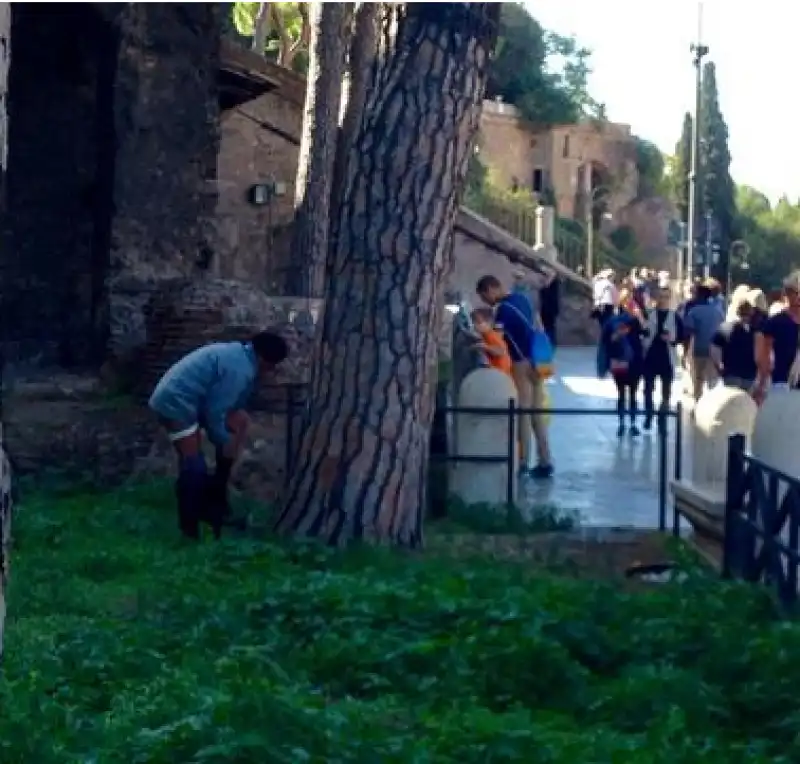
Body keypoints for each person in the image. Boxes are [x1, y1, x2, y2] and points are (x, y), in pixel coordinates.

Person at [148, 331, 289, 539]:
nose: (271, 372)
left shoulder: (240, 357)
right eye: (272, 366)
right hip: (176, 402)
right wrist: (223, 440)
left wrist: (229, 442)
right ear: (263, 360)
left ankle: (217, 499)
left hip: (193, 400)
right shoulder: (240, 370)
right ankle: (190, 527)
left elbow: (233, 406)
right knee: (194, 465)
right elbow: (215, 412)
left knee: (240, 421)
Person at [476, 274, 554, 479]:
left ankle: (522, 462)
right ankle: (545, 460)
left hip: (521, 363)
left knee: (522, 413)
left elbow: (499, 345)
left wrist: (482, 340)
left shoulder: (503, 311)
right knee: (537, 413)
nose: (487, 302)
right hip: (539, 361)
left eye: (485, 297)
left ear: (491, 289)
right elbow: (538, 324)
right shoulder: (523, 298)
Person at [602, 292, 645, 436]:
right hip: (625, 361)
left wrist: (639, 316)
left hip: (630, 361)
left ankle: (629, 423)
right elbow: (607, 342)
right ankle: (625, 423)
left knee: (629, 393)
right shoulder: (616, 321)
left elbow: (645, 333)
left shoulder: (630, 320)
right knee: (624, 393)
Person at [754, 271, 800, 404]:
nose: (798, 297)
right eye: (794, 292)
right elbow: (765, 355)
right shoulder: (775, 322)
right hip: (780, 383)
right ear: (787, 294)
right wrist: (762, 384)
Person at [641, 287, 677, 431]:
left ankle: (662, 419)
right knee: (648, 388)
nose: (663, 300)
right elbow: (643, 332)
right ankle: (648, 415)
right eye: (661, 296)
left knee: (666, 391)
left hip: (667, 357)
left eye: (666, 297)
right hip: (651, 355)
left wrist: (671, 338)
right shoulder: (650, 314)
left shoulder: (674, 316)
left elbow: (680, 337)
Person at [683, 282, 724, 401]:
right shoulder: (718, 312)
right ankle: (712, 407)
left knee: (698, 380)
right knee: (712, 381)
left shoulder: (693, 312)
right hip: (714, 350)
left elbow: (688, 333)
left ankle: (698, 405)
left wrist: (686, 353)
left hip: (699, 349)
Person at [710, 291, 758, 393]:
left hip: (730, 373)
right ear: (751, 312)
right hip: (750, 374)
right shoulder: (755, 332)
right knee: (746, 404)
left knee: (733, 404)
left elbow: (714, 349)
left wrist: (719, 366)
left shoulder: (724, 328)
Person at [470, 308, 512, 376]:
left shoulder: (491, 335)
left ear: (488, 323)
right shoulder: (485, 336)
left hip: (501, 373)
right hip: (496, 372)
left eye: (479, 323)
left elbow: (501, 351)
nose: (475, 326)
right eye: (474, 322)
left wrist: (485, 347)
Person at [539, 274, 560, 353]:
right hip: (546, 309)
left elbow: (548, 281)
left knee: (549, 328)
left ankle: (550, 346)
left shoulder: (553, 282)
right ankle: (549, 345)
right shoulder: (546, 286)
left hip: (550, 310)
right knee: (547, 328)